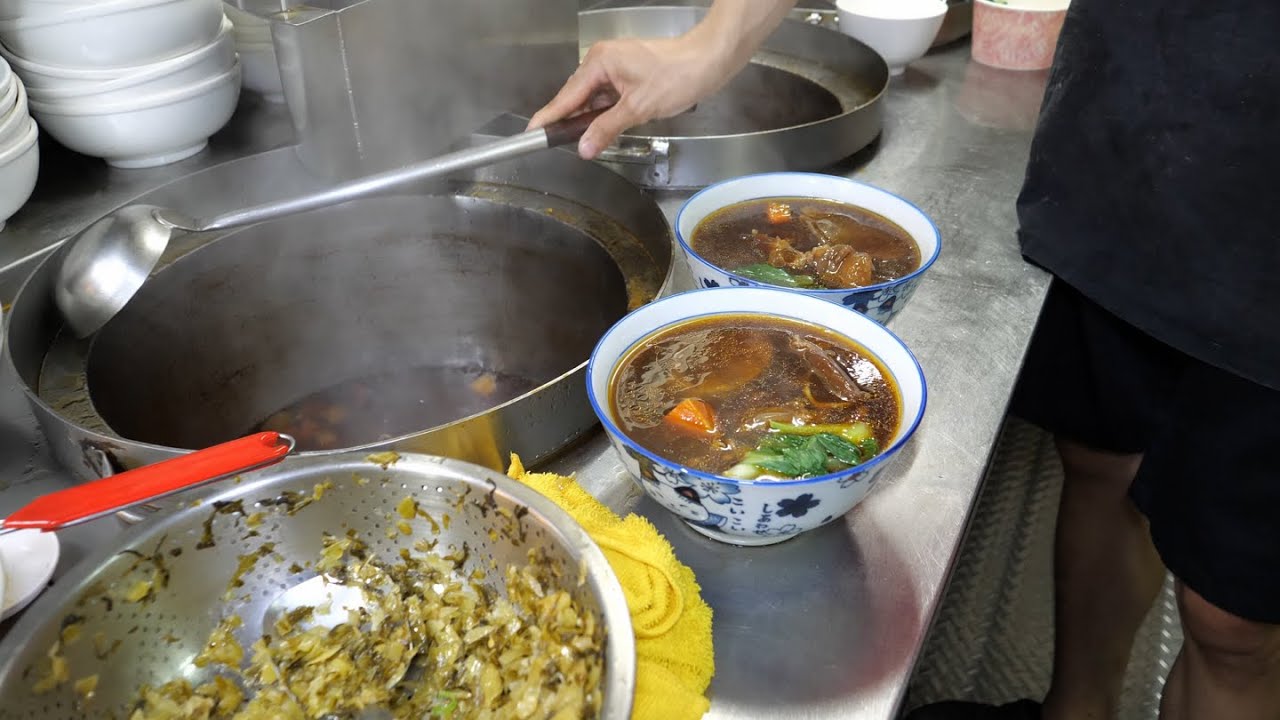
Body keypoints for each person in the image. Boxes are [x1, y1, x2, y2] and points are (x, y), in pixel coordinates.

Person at [530, 1, 1280, 718]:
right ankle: (1076, 709)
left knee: (1231, 621)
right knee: (1098, 467)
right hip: (1113, 170)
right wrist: (709, 46)